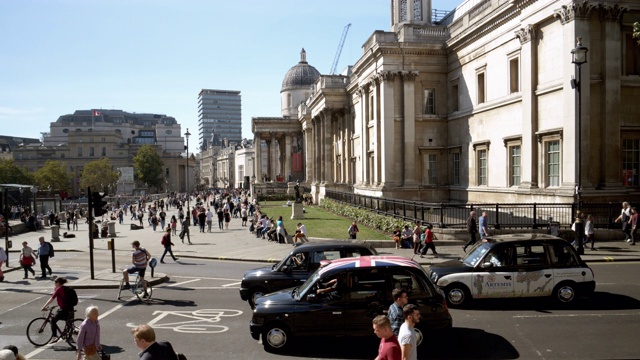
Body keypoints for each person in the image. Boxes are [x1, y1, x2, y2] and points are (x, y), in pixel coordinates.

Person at [40, 277, 74, 346]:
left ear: (58, 282)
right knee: (69, 323)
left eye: (55, 282)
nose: (54, 283)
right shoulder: (65, 288)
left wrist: (44, 306)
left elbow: (51, 298)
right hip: (70, 308)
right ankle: (69, 338)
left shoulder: (59, 289)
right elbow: (62, 299)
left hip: (64, 309)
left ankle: (55, 336)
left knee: (53, 320)